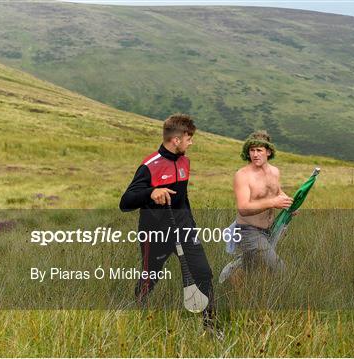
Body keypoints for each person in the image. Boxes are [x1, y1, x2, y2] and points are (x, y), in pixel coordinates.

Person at [119, 113, 216, 330]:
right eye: (189, 138)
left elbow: (183, 198)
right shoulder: (149, 166)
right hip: (155, 234)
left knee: (202, 273)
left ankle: (211, 327)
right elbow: (125, 202)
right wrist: (151, 192)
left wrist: (190, 225)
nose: (191, 143)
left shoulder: (184, 162)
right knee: (150, 279)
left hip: (184, 229)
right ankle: (138, 316)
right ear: (176, 140)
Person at [231, 130, 293, 273]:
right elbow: (243, 208)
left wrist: (289, 204)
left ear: (269, 152)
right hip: (248, 231)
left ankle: (229, 278)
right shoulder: (243, 175)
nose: (255, 154)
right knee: (279, 270)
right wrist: (273, 203)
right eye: (252, 150)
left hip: (269, 230)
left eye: (259, 150)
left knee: (251, 271)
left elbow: (276, 192)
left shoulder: (275, 172)